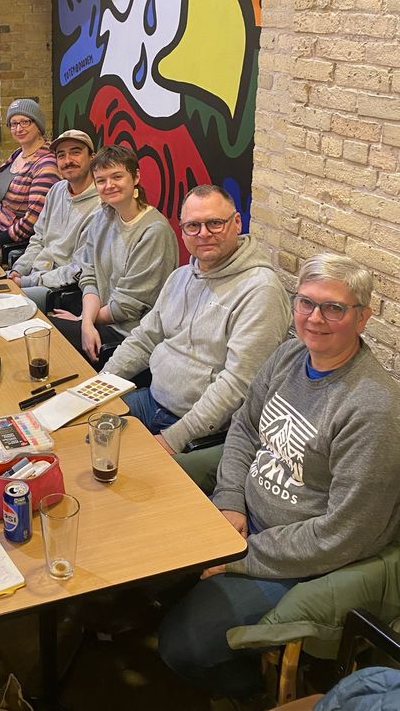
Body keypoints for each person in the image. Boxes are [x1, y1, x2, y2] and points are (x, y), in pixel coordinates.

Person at [157, 253, 400, 703]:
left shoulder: (373, 409)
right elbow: (246, 426)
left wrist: (240, 557)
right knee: (146, 561)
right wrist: (230, 499)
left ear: (363, 318)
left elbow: (346, 533)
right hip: (242, 515)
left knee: (183, 646)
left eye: (334, 308)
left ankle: (253, 695)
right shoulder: (290, 354)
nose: (315, 318)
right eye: (305, 302)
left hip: (300, 557)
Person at [104, 184, 291, 481]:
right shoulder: (181, 276)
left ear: (237, 223)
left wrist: (172, 439)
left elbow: (237, 385)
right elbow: (143, 339)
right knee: (81, 434)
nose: (203, 233)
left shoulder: (260, 290)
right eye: (193, 225)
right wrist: (101, 386)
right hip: (151, 400)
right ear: (182, 230)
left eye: (215, 223)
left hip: (199, 429)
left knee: (130, 479)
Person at [50, 145, 177, 361]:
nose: (109, 185)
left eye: (117, 177)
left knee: (47, 333)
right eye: (101, 180)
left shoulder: (154, 232)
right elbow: (90, 275)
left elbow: (128, 307)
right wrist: (86, 321)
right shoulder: (103, 216)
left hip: (130, 334)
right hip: (99, 316)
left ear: (135, 176)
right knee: (42, 322)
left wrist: (84, 322)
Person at [9, 130, 100, 311]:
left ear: (92, 157)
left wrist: (26, 282)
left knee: (2, 309)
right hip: (34, 277)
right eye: (61, 155)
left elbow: (79, 269)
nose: (68, 160)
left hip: (58, 290)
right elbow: (38, 239)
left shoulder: (101, 206)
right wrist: (17, 270)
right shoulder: (56, 190)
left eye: (75, 152)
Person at [0, 99, 59, 252]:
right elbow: (3, 201)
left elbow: (33, 220)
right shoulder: (17, 154)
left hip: (17, 246)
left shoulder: (46, 165)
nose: (19, 129)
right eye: (13, 123)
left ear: (38, 125)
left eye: (25, 122)